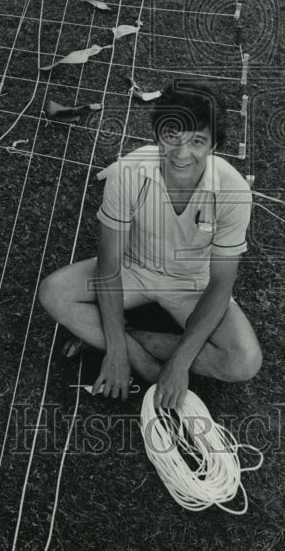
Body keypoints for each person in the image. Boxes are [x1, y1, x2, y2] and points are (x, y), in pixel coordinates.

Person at [38, 83, 262, 410]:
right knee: (53, 292)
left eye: (198, 141)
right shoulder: (128, 172)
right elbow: (109, 264)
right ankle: (136, 356)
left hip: (192, 284)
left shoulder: (234, 191)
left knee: (244, 361)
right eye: (172, 136)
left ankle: (130, 339)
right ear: (158, 133)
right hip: (133, 267)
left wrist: (180, 363)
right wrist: (118, 355)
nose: (182, 154)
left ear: (215, 144)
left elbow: (219, 285)